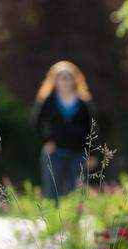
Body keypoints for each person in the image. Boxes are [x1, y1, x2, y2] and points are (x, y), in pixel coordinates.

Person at [33, 61, 97, 201]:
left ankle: (73, 223)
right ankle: (54, 222)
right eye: (61, 77)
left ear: (75, 80)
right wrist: (47, 141)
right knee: (53, 192)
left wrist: (92, 154)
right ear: (54, 80)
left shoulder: (84, 103)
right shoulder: (48, 101)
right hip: (55, 154)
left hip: (78, 155)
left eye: (68, 77)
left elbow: (92, 128)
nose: (64, 81)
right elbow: (37, 123)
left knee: (77, 193)